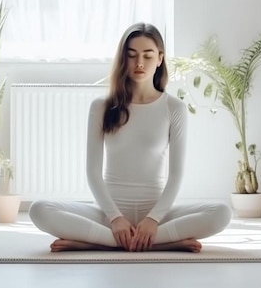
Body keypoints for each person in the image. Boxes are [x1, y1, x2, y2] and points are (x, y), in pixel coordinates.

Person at [29, 22, 232, 252]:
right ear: (123, 59)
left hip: (157, 217)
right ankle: (159, 243)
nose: (139, 63)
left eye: (147, 55)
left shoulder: (174, 108)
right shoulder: (102, 107)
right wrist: (115, 218)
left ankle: (101, 242)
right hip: (107, 214)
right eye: (132, 55)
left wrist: (153, 219)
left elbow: (176, 175)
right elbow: (92, 173)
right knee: (38, 209)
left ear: (160, 58)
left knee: (222, 213)